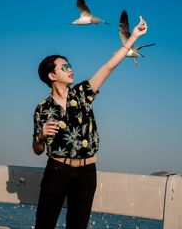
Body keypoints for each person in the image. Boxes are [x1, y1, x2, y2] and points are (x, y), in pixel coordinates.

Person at [32, 18, 148, 229]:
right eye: (64, 67)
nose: (70, 69)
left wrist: (134, 37)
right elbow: (38, 150)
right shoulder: (42, 108)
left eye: (70, 65)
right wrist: (40, 137)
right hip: (57, 169)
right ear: (51, 75)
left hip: (86, 172)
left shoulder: (83, 92)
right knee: (44, 223)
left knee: (78, 225)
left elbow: (109, 66)